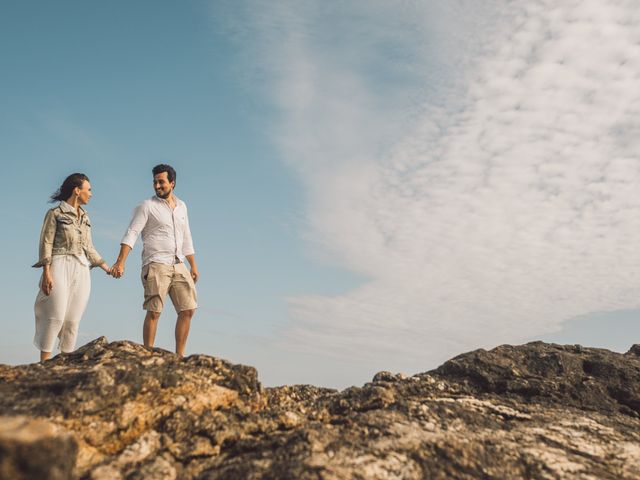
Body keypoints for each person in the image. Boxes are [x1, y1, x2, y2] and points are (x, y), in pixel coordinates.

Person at [111, 164, 198, 357]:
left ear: (172, 183)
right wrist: (120, 262)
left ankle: (179, 357)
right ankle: (147, 355)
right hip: (156, 264)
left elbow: (187, 236)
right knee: (154, 311)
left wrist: (193, 265)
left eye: (161, 182)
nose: (157, 186)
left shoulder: (182, 207)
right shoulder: (147, 206)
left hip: (178, 263)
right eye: (155, 182)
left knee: (188, 309)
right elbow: (132, 233)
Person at [33, 173, 111, 361]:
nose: (91, 194)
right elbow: (46, 243)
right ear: (77, 190)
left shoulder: (85, 217)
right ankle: (44, 366)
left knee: (72, 321)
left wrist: (108, 269)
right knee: (55, 316)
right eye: (89, 189)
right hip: (59, 264)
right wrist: (47, 273)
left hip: (82, 267)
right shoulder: (55, 213)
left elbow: (89, 248)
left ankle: (65, 365)